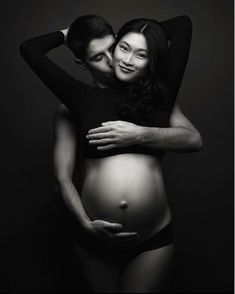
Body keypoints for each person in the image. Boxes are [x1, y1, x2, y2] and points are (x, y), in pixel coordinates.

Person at [20, 14, 203, 292]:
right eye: (121, 49)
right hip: (94, 238)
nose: (119, 59)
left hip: (153, 236)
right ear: (83, 62)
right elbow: (30, 49)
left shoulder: (159, 95)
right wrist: (83, 224)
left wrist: (139, 133)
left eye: (118, 47)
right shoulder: (78, 99)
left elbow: (183, 25)